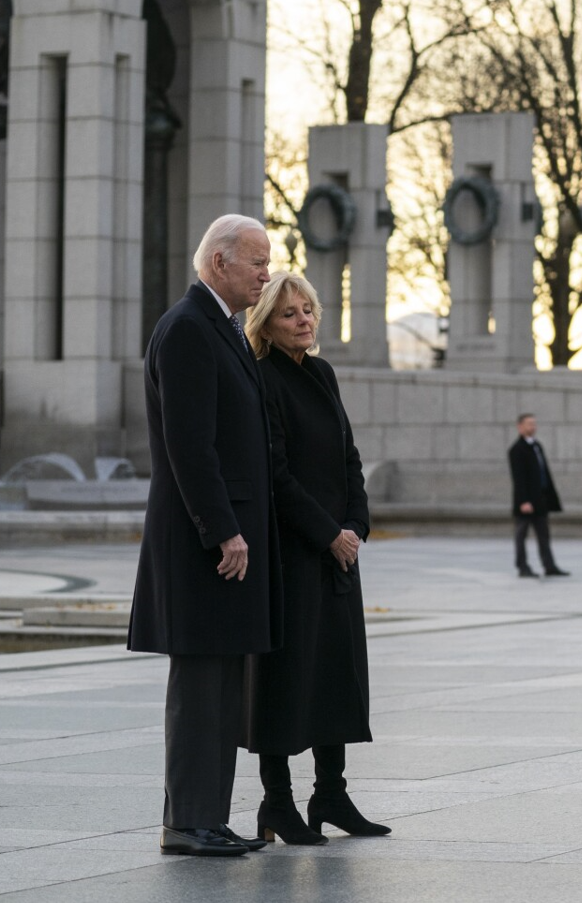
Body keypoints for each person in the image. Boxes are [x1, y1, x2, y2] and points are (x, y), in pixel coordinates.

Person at [128, 214, 281, 857]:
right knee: (200, 689)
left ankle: (207, 820)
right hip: (206, 547)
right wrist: (224, 530)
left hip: (224, 543)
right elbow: (189, 448)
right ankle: (187, 823)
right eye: (257, 262)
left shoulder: (221, 328)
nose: (266, 274)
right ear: (220, 263)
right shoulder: (189, 329)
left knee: (222, 687)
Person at [241, 272, 389, 845]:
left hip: (337, 555)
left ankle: (331, 794)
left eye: (308, 310)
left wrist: (354, 527)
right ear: (266, 325)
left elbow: (350, 458)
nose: (304, 320)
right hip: (292, 555)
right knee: (285, 680)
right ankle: (276, 804)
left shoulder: (322, 374)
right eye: (289, 314)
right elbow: (275, 473)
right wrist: (328, 533)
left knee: (336, 674)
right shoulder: (262, 379)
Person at [508, 414, 568, 578]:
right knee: (521, 535)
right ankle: (522, 566)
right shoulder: (516, 450)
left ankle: (549, 565)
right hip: (526, 502)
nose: (533, 427)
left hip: (540, 499)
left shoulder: (537, 446)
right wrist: (524, 501)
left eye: (534, 424)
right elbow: (518, 478)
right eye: (529, 424)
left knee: (544, 535)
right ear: (520, 427)